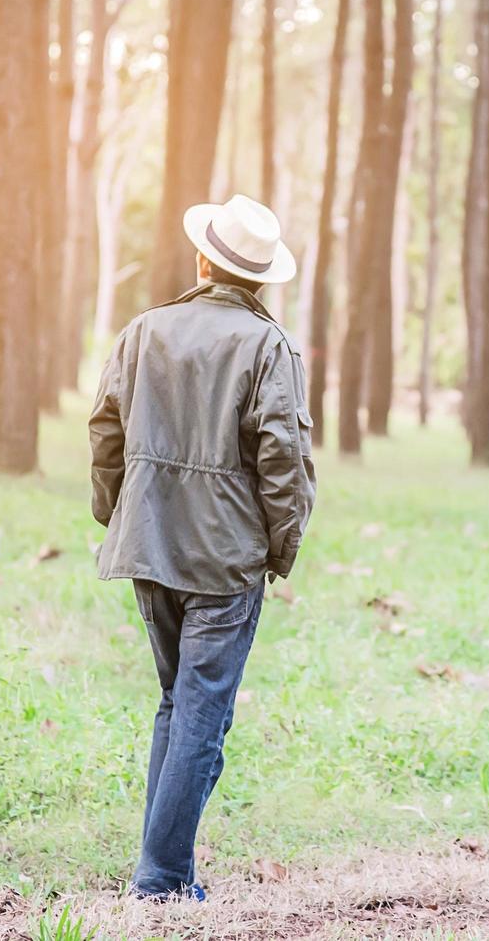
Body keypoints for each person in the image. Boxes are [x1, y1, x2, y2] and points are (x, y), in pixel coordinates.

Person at [88, 194, 317, 901]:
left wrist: (118, 515)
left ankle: (165, 870)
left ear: (202, 259)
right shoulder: (267, 346)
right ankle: (159, 882)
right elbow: (282, 455)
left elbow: (105, 431)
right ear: (260, 279)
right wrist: (281, 546)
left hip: (148, 543)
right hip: (224, 557)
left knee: (174, 705)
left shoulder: (143, 330)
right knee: (199, 713)